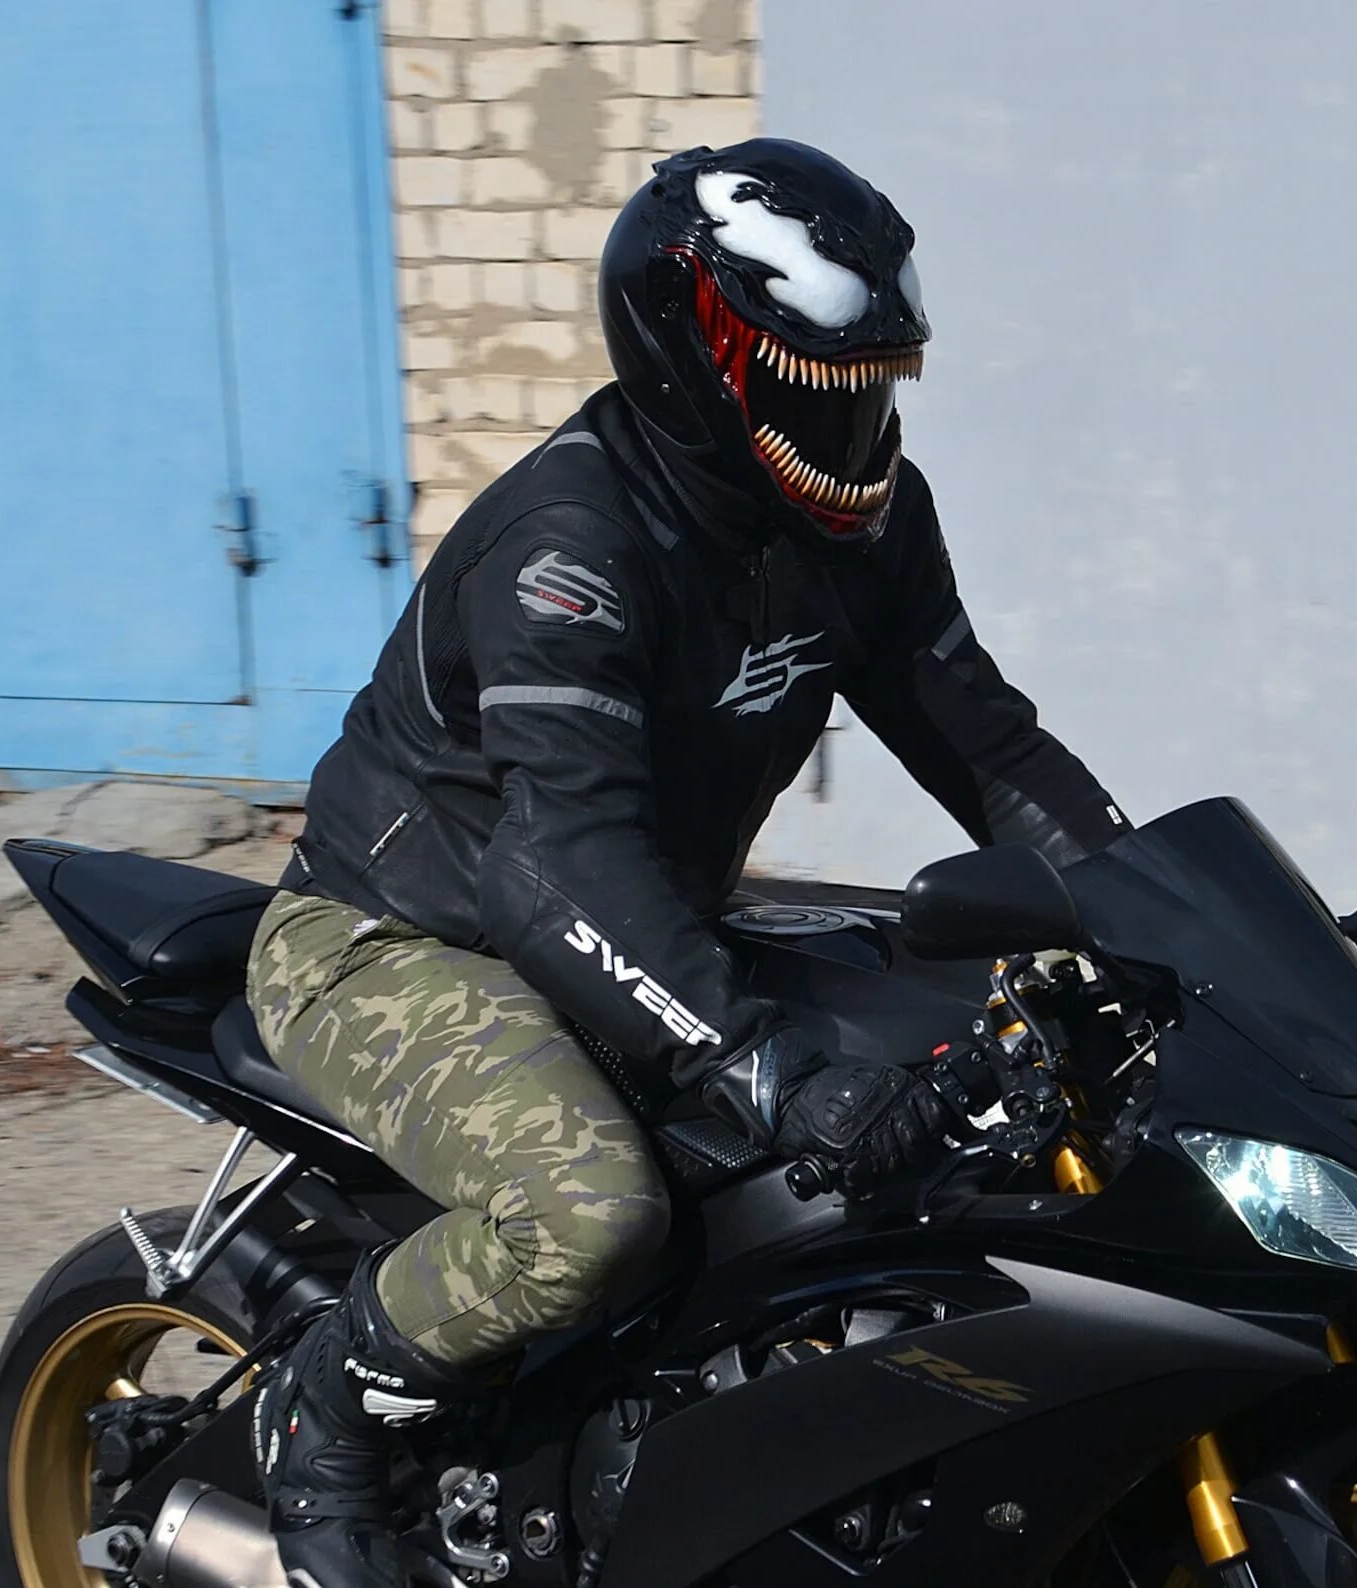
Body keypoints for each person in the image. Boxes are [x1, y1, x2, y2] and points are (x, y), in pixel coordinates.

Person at [245, 137, 1129, 1586]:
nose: (855, 426)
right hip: (402, 943)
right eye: (817, 390)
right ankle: (324, 1414)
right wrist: (764, 1065)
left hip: (630, 920)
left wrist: (1165, 919)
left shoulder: (867, 523)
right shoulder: (570, 547)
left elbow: (992, 751)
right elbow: (556, 859)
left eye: (874, 388)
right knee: (592, 1215)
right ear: (699, 365)